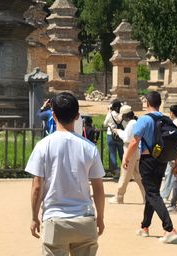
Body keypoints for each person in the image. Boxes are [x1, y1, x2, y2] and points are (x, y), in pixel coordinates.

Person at [25, 92, 105, 256]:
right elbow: (98, 189)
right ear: (77, 116)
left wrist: (34, 217)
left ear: (53, 115)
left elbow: (37, 187)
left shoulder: (43, 146)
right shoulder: (89, 147)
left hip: (55, 220)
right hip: (84, 218)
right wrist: (101, 218)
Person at [123, 91, 177, 244]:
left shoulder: (144, 120)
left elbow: (135, 142)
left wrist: (126, 158)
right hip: (162, 160)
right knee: (151, 193)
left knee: (153, 194)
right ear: (159, 103)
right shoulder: (167, 120)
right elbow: (174, 145)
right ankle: (145, 227)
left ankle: (169, 229)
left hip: (148, 160)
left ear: (147, 103)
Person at [109, 105, 145, 204]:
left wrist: (118, 131)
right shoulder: (134, 122)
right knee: (138, 176)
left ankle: (119, 197)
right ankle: (146, 197)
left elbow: (127, 138)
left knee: (124, 175)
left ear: (125, 115)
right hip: (134, 151)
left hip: (130, 150)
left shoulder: (131, 124)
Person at [103, 100, 123, 176]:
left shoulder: (110, 114)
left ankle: (116, 171)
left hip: (110, 135)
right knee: (122, 154)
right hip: (120, 135)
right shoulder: (121, 115)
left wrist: (108, 112)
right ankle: (126, 170)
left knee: (112, 154)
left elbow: (104, 124)